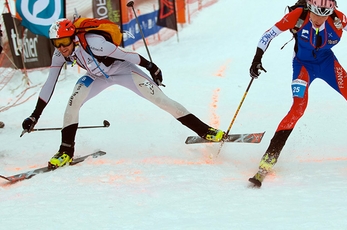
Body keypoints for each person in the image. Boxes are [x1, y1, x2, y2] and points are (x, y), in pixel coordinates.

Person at [248, 0, 347, 187]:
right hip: (303, 66)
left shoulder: (337, 18)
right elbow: (268, 34)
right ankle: (270, 156)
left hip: (329, 64)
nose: (319, 20)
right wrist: (256, 59)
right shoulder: (297, 15)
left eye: (325, 16)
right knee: (298, 109)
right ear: (309, 9)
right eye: (315, 15)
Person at [22, 18, 225, 168]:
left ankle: (205, 130)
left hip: (123, 71)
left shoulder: (95, 43)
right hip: (96, 77)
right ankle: (65, 151)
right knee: (73, 103)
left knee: (161, 100)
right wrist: (35, 115)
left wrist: (151, 66)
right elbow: (49, 84)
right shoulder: (60, 53)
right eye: (56, 44)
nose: (62, 48)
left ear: (73, 38)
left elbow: (126, 55)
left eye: (64, 42)